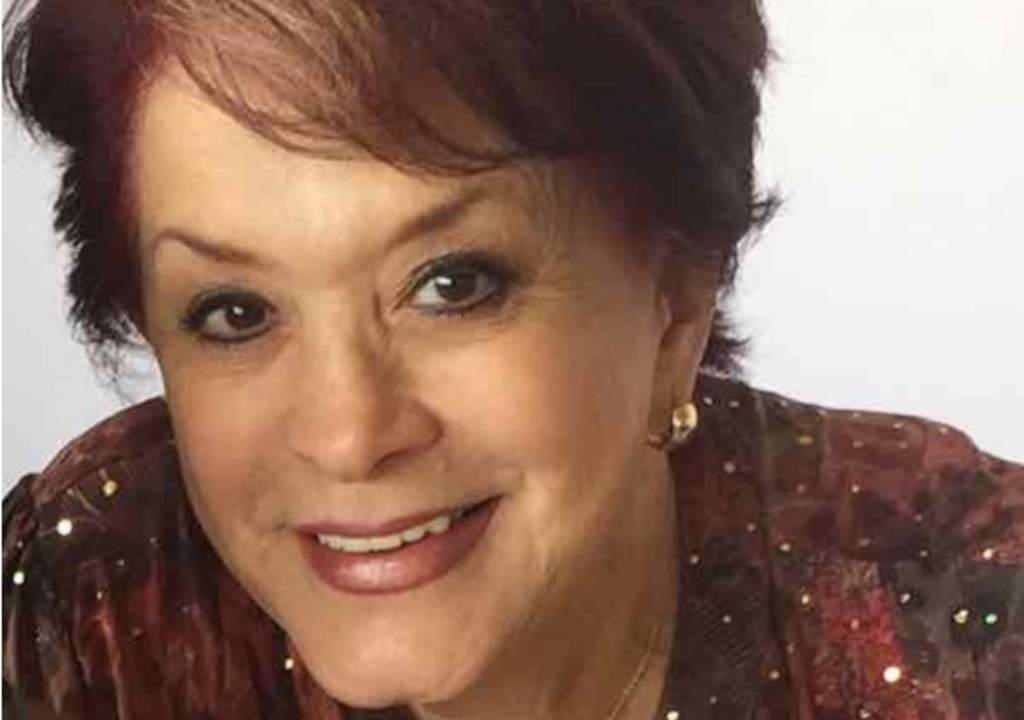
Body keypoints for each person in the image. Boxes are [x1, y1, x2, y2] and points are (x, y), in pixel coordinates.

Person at [2, 0, 1021, 718]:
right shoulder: (92, 608)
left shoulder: (970, 633)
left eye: (453, 284)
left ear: (675, 301)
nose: (349, 436)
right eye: (235, 312)